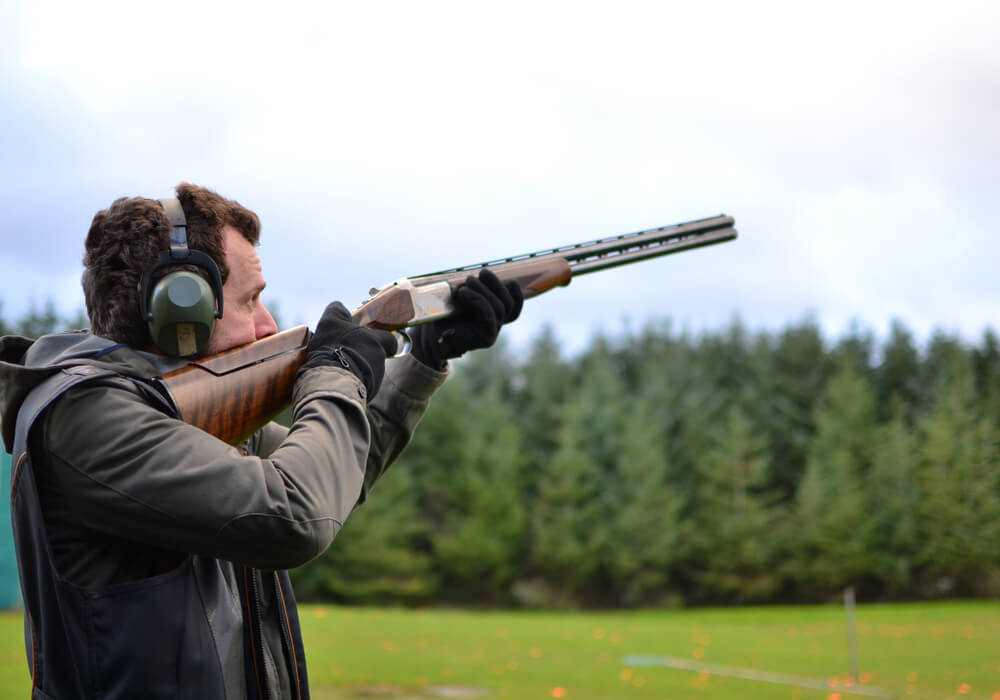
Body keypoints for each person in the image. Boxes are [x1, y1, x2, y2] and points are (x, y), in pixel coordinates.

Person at [0, 183, 522, 699]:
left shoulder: (175, 417)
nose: (268, 323)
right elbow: (296, 515)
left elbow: (334, 468)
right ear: (183, 308)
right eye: (250, 300)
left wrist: (423, 360)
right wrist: (336, 370)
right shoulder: (88, 417)